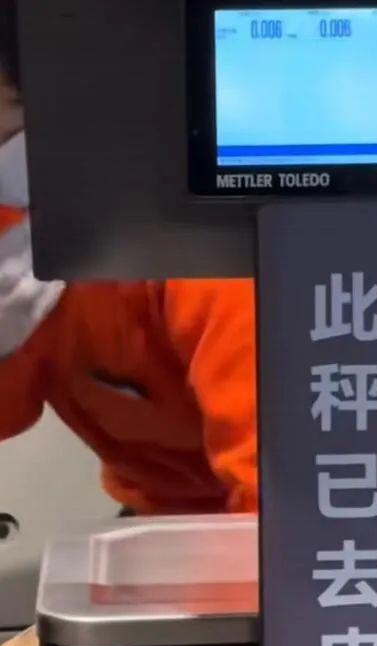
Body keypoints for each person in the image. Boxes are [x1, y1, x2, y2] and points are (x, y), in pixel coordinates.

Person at [0, 1, 258, 515]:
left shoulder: (208, 257)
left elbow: (288, 504)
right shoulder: (18, 236)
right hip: (153, 513)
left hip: (253, 522)